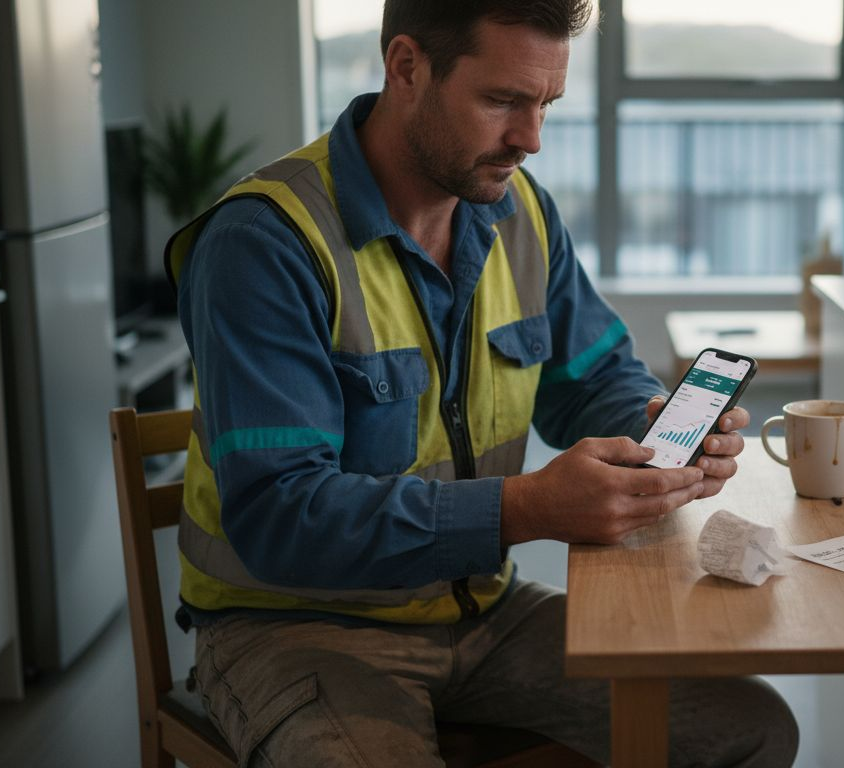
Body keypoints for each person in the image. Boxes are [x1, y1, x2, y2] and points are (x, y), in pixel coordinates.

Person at [164, 0, 798, 765]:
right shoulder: (263, 244)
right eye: (502, 101)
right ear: (406, 67)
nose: (531, 139)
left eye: (546, 104)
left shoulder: (522, 213)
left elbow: (592, 378)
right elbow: (280, 515)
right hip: (295, 628)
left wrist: (659, 426)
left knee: (752, 727)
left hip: (479, 612)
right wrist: (525, 508)